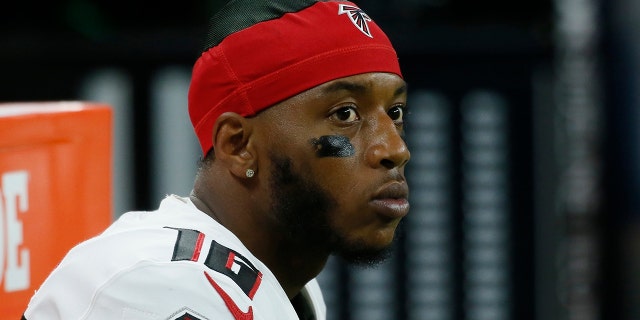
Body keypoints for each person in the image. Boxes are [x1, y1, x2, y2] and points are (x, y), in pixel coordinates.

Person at [22, 0, 410, 319]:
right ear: (238, 146)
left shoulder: (288, 282)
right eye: (345, 114)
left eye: (394, 113)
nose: (395, 149)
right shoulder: (164, 290)